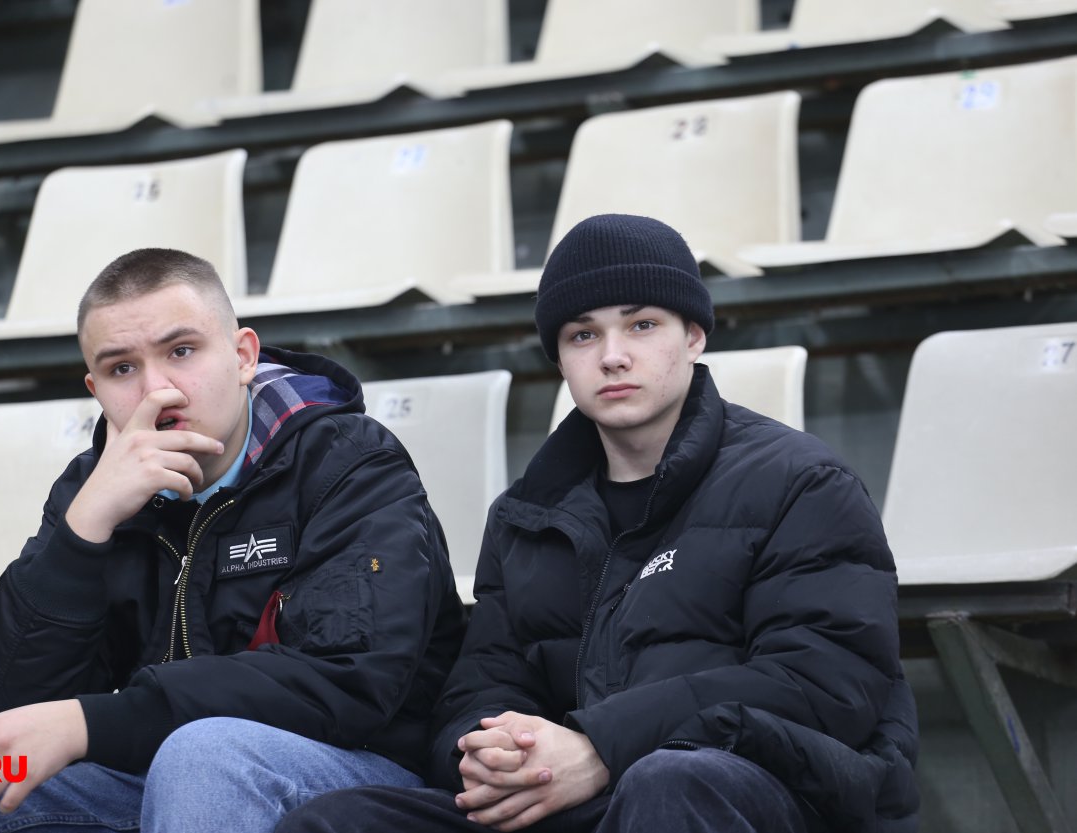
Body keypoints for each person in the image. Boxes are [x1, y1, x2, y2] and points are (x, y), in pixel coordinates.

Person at [274, 214, 920, 833]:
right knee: (338, 821)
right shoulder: (526, 515)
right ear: (559, 359)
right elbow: (480, 685)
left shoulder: (801, 482)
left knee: (670, 781)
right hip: (578, 798)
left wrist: (603, 743)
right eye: (583, 335)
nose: (612, 356)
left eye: (642, 325)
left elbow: (824, 682)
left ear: (694, 336)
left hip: (761, 791)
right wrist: (486, 751)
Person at [0, 248, 466, 832]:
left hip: (353, 777)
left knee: (204, 756)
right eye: (122, 368)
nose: (157, 390)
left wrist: (94, 723)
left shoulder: (347, 460)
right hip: (157, 773)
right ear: (94, 389)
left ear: (243, 356)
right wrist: (81, 533)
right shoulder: (94, 491)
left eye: (181, 351)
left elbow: (350, 680)